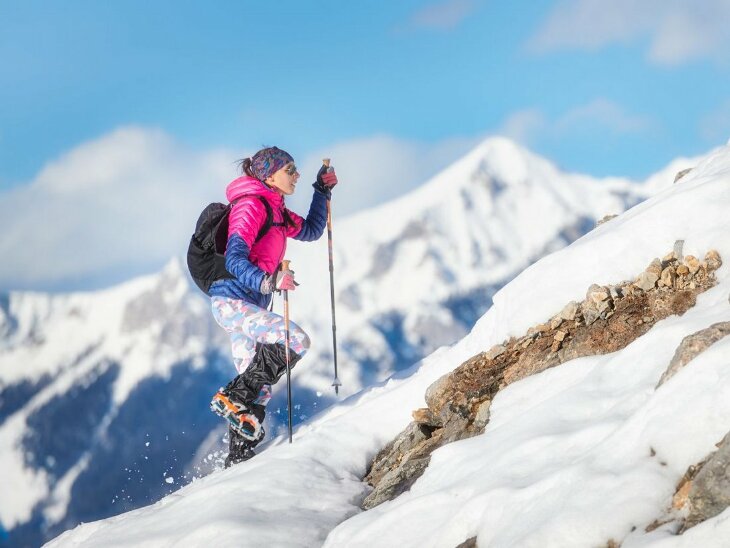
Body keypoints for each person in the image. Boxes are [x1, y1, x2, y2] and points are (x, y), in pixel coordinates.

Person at [208, 146, 337, 467]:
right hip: (232, 299)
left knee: (259, 386)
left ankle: (238, 460)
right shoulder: (250, 207)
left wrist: (321, 191)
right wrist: (269, 281)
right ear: (269, 176)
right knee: (295, 340)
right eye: (290, 170)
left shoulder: (275, 210)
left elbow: (310, 230)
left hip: (247, 300)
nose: (297, 175)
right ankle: (232, 395)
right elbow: (235, 257)